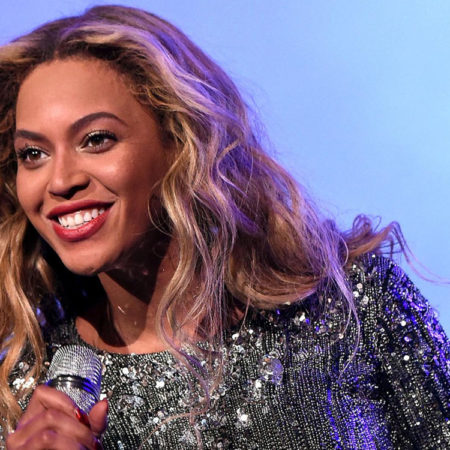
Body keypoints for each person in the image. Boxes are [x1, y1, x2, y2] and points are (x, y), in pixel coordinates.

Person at [0, 4, 448, 449]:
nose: (60, 181)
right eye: (33, 154)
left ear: (182, 143)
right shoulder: (28, 392)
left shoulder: (349, 304)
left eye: (97, 139)